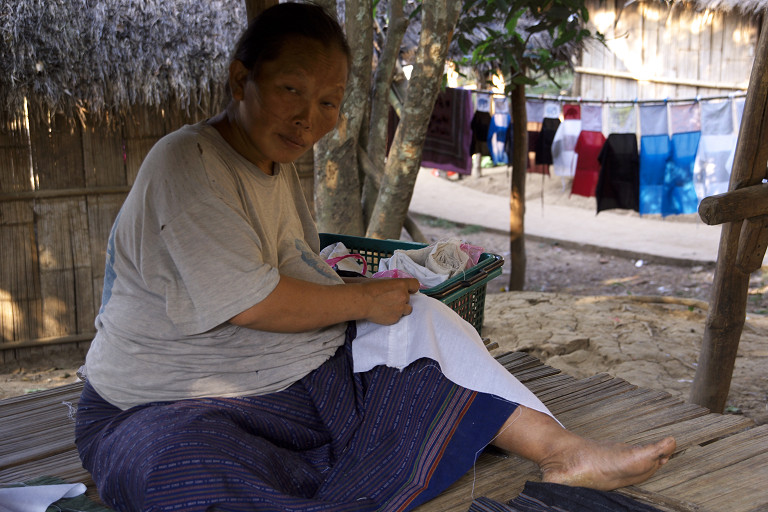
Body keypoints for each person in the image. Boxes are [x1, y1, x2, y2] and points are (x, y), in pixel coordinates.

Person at [75, 3, 676, 511]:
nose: (310, 117)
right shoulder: (187, 163)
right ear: (241, 81)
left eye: (330, 102)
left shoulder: (272, 166)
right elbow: (253, 301)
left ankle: (563, 452)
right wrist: (360, 297)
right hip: (157, 403)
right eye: (291, 90)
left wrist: (374, 299)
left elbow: (293, 268)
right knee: (174, 465)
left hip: (279, 384)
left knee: (424, 322)